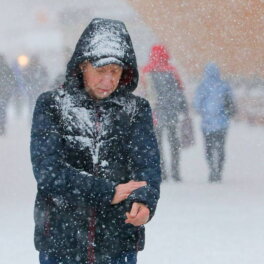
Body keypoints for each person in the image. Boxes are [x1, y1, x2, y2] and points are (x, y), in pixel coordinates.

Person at [30, 18, 161, 264]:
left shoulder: (136, 110)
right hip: (61, 238)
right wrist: (107, 192)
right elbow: (48, 172)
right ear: (83, 66)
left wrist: (145, 202)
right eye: (101, 70)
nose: (109, 80)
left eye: (115, 71)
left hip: (118, 239)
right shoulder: (51, 105)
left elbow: (147, 167)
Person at [142, 45, 191, 181]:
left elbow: (143, 93)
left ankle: (162, 172)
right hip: (171, 114)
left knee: (157, 146)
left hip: (154, 114)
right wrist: (183, 109)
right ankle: (175, 171)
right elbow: (180, 92)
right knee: (173, 143)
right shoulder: (172, 71)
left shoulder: (146, 72)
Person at [194, 62, 236, 183]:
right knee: (221, 148)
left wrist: (206, 112)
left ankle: (212, 169)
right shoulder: (224, 86)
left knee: (209, 148)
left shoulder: (202, 86)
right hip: (222, 124)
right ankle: (219, 171)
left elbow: (197, 105)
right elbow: (231, 104)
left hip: (207, 125)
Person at [0, 54, 16, 135]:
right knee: (2, 109)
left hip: (4, 92)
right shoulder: (7, 68)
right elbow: (12, 80)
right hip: (5, 93)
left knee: (2, 109)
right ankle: (2, 125)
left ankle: (2, 125)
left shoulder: (6, 69)